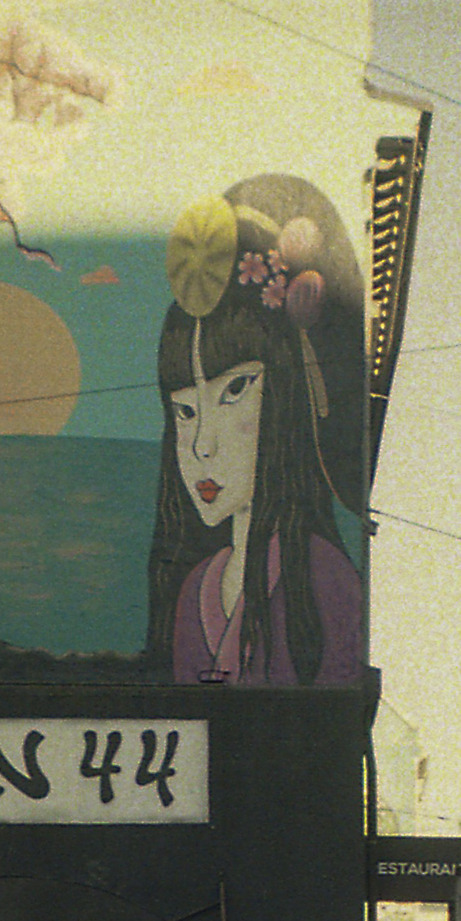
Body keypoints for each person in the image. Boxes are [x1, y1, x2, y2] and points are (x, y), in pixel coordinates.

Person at [148, 176, 368, 685]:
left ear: (285, 398)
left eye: (233, 392)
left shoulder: (324, 580)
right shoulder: (195, 589)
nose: (203, 446)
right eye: (185, 413)